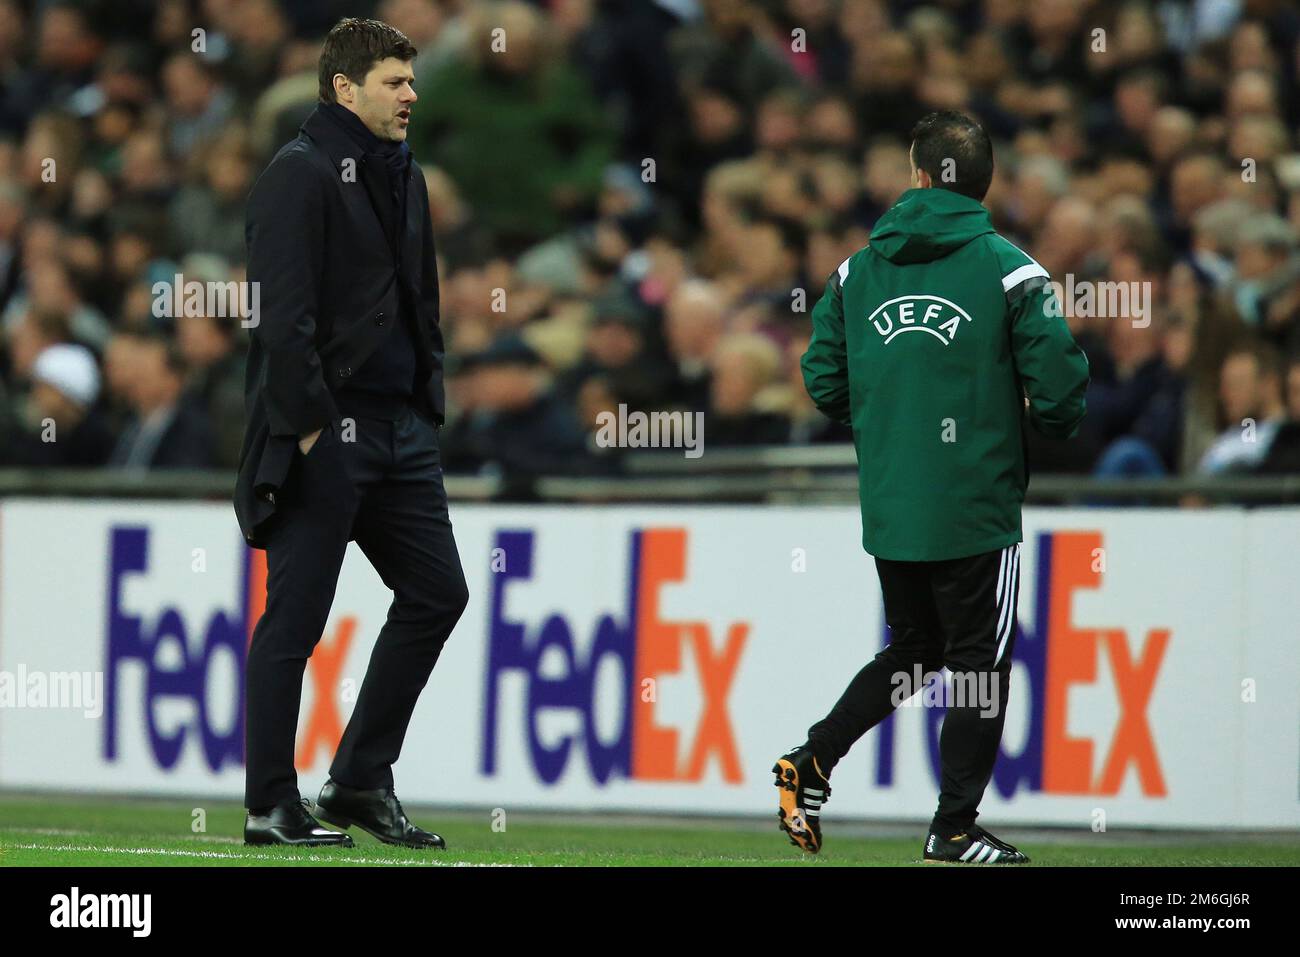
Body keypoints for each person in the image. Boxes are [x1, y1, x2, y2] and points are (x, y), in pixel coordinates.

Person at [775, 111, 1089, 863]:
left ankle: (811, 760)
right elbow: (1061, 392)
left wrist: (896, 424)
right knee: (979, 661)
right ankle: (953, 826)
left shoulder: (856, 270)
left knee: (916, 649)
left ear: (918, 174)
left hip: (893, 503)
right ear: (983, 183)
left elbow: (821, 377)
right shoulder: (1012, 270)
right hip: (974, 502)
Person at [234, 18, 468, 849]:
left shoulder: (404, 173)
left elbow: (421, 297)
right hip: (328, 429)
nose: (412, 94)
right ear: (345, 87)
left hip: (401, 427)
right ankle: (271, 804)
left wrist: (424, 402)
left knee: (440, 592)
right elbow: (280, 321)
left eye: (411, 80)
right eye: (396, 81)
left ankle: (360, 778)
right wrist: (308, 432)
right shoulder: (297, 176)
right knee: (295, 620)